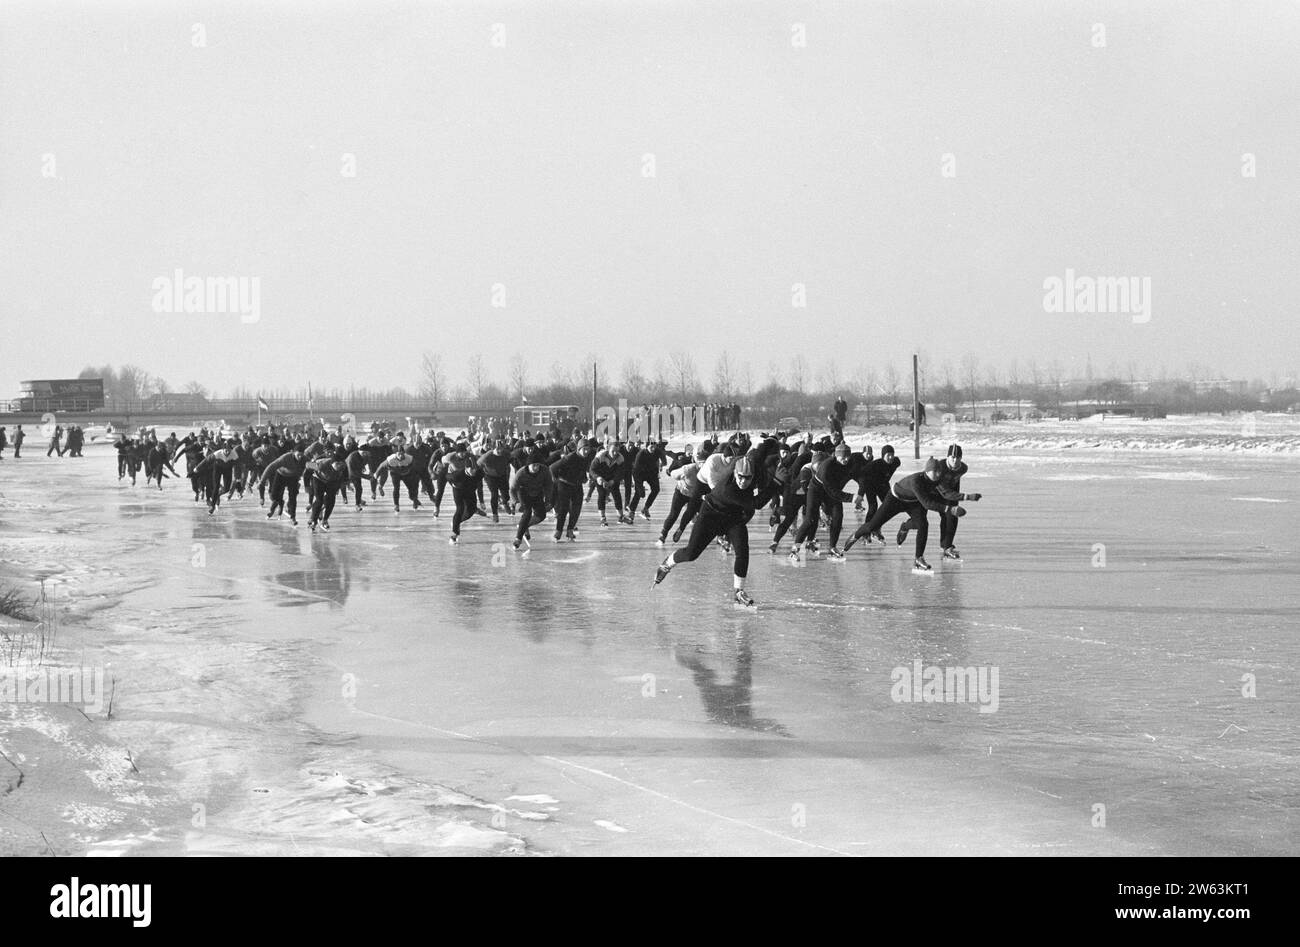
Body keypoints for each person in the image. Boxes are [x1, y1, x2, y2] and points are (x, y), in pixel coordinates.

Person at [653, 436, 778, 609]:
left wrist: (771, 441)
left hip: (732, 516)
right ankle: (667, 563)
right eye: (740, 477)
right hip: (710, 514)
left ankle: (738, 592)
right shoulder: (729, 489)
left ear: (752, 474)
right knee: (691, 554)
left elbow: (759, 452)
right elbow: (757, 504)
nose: (743, 481)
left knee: (742, 550)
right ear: (735, 473)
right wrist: (777, 483)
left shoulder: (751, 464)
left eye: (747, 478)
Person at [843, 457, 965, 571]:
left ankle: (918, 557)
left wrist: (967, 497)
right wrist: (951, 509)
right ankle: (856, 535)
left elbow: (946, 493)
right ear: (927, 471)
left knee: (923, 525)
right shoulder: (916, 481)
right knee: (873, 526)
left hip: (914, 503)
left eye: (939, 471)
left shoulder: (937, 480)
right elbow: (928, 504)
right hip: (895, 499)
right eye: (935, 471)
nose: (938, 474)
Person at [933, 444, 981, 560]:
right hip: (936, 492)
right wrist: (967, 497)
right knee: (948, 516)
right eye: (952, 457)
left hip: (952, 492)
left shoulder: (963, 468)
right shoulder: (940, 467)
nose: (955, 460)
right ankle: (946, 546)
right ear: (947, 457)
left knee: (952, 517)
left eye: (958, 458)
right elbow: (945, 492)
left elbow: (955, 481)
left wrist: (957, 497)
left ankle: (945, 545)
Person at [509, 450, 554, 550]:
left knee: (541, 515)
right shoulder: (521, 473)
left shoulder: (545, 470)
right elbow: (512, 489)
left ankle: (524, 526)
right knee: (527, 512)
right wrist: (515, 502)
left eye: (538, 465)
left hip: (537, 492)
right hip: (523, 492)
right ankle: (518, 539)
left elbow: (549, 485)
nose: (536, 468)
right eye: (533, 465)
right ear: (528, 465)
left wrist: (548, 498)